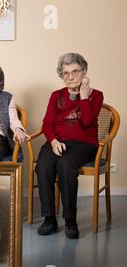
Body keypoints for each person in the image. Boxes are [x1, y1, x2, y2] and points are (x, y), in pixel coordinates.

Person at [36, 53, 104, 239]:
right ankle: (49, 219)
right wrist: (53, 141)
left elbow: (88, 122)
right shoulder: (56, 95)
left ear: (84, 73)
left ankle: (70, 220)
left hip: (84, 144)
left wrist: (83, 95)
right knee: (43, 165)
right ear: (61, 75)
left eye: (75, 71)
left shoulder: (96, 95)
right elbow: (47, 124)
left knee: (65, 166)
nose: (70, 76)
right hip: (58, 141)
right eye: (65, 73)